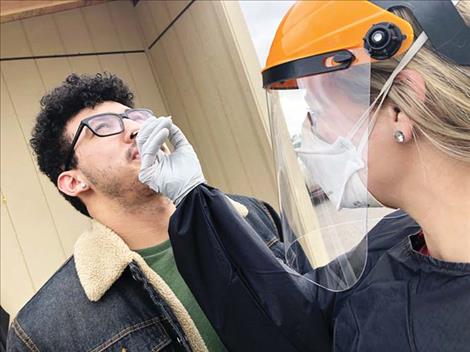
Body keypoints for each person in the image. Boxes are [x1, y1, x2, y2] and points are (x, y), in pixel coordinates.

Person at [141, 1, 469, 351]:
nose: (311, 134)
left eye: (318, 111)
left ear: (400, 110)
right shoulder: (397, 239)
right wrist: (195, 200)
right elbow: (296, 322)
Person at [6, 73, 286, 351]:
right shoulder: (42, 331)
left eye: (136, 117)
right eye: (103, 126)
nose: (136, 129)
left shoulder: (255, 215)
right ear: (74, 181)